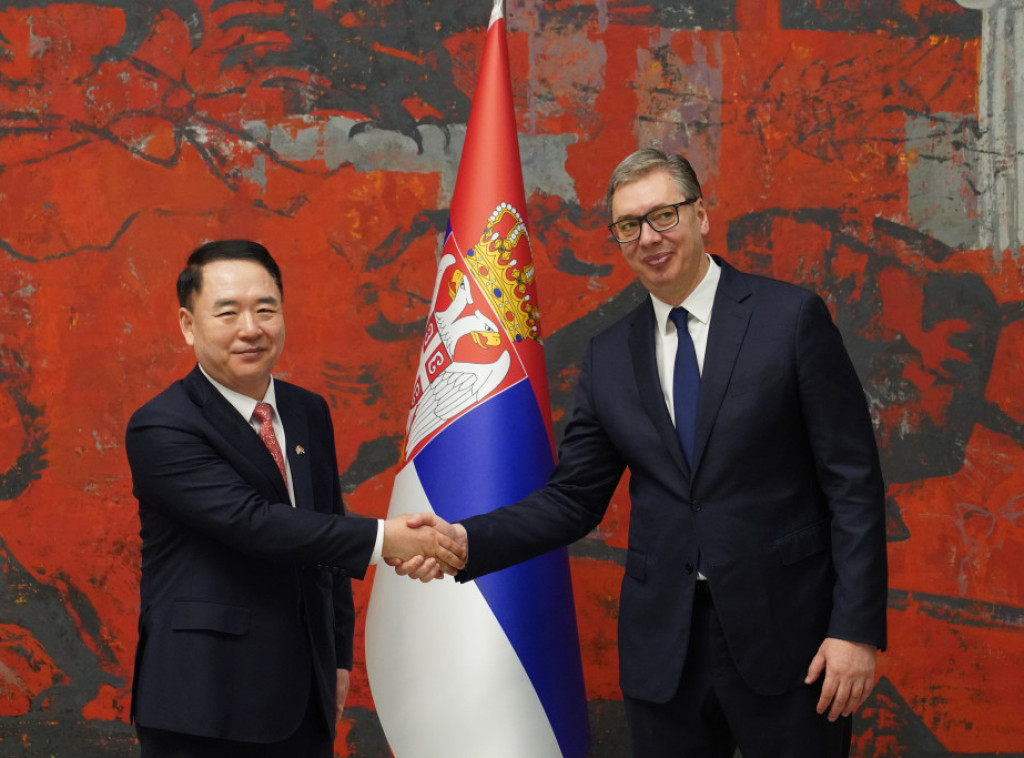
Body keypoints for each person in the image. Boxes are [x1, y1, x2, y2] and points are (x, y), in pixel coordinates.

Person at [397, 147, 888, 757]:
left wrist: (855, 630)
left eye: (663, 216)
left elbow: (853, 484)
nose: (649, 238)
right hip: (666, 653)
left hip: (792, 640)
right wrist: (465, 540)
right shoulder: (608, 355)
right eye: (629, 225)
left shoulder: (789, 319)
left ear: (700, 215)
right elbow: (573, 499)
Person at [125, 239, 464, 757]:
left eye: (266, 310)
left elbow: (325, 532)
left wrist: (338, 658)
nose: (250, 328)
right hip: (205, 700)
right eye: (227, 312)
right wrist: (387, 540)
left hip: (305, 693)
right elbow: (253, 523)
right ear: (188, 325)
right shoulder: (162, 425)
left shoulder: (307, 410)